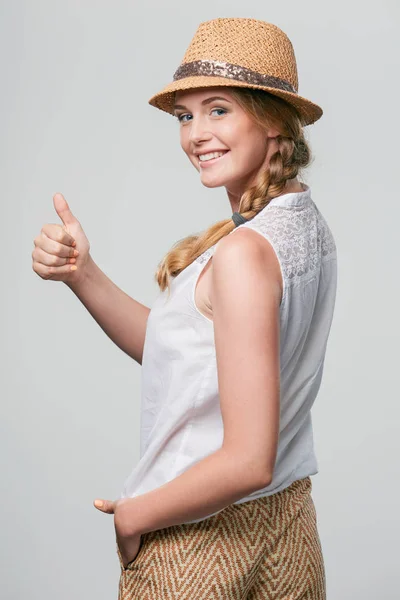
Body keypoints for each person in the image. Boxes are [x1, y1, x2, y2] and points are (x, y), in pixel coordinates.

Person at [32, 17, 337, 600]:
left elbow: (250, 461)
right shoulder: (304, 226)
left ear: (272, 119)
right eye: (185, 115)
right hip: (289, 531)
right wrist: (82, 274)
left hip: (197, 540)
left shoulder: (245, 253)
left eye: (218, 109)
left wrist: (134, 517)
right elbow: (192, 355)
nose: (196, 134)